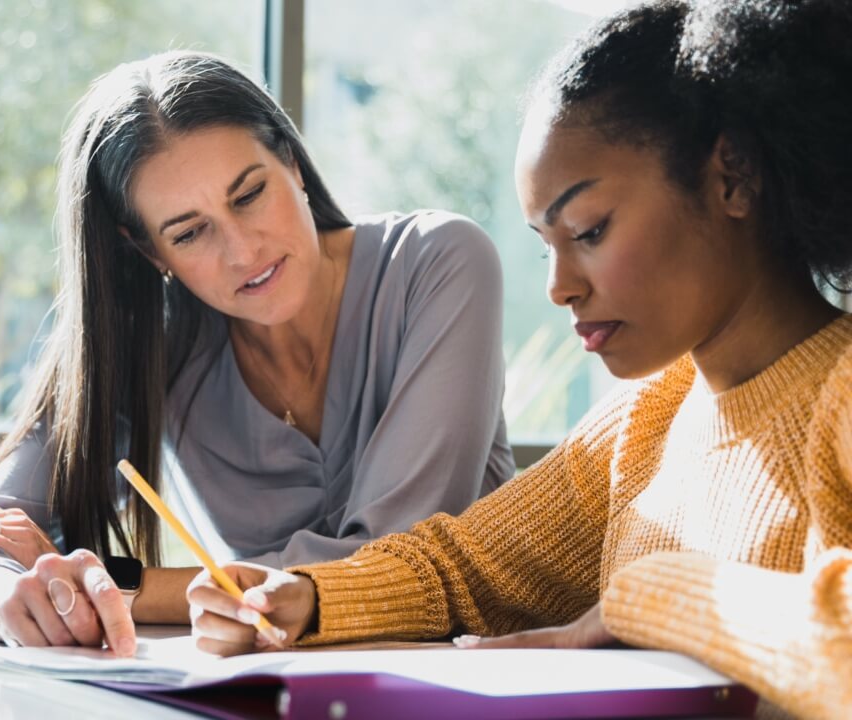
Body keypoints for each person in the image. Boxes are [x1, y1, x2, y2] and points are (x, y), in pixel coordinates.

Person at [185, 1, 852, 717]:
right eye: (545, 245)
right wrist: (308, 599)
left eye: (589, 230)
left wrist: (638, 599)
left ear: (734, 178)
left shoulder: (839, 396)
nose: (559, 287)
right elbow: (467, 568)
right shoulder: (647, 420)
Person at [0, 50, 514, 653]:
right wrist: (17, 604)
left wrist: (120, 585)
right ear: (150, 254)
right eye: (189, 232)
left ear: (292, 162)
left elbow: (387, 568)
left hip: (473, 685)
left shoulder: (440, 263)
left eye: (249, 195)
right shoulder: (155, 340)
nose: (242, 251)